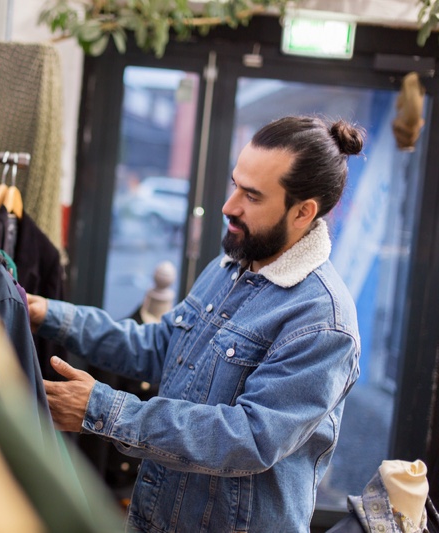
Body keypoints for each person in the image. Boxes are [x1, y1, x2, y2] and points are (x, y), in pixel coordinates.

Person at [27, 115, 364, 532]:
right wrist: (47, 314)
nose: (229, 206)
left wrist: (102, 410)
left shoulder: (322, 322)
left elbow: (249, 439)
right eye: (234, 184)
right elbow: (160, 348)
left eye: (252, 196)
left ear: (303, 212)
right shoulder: (231, 265)